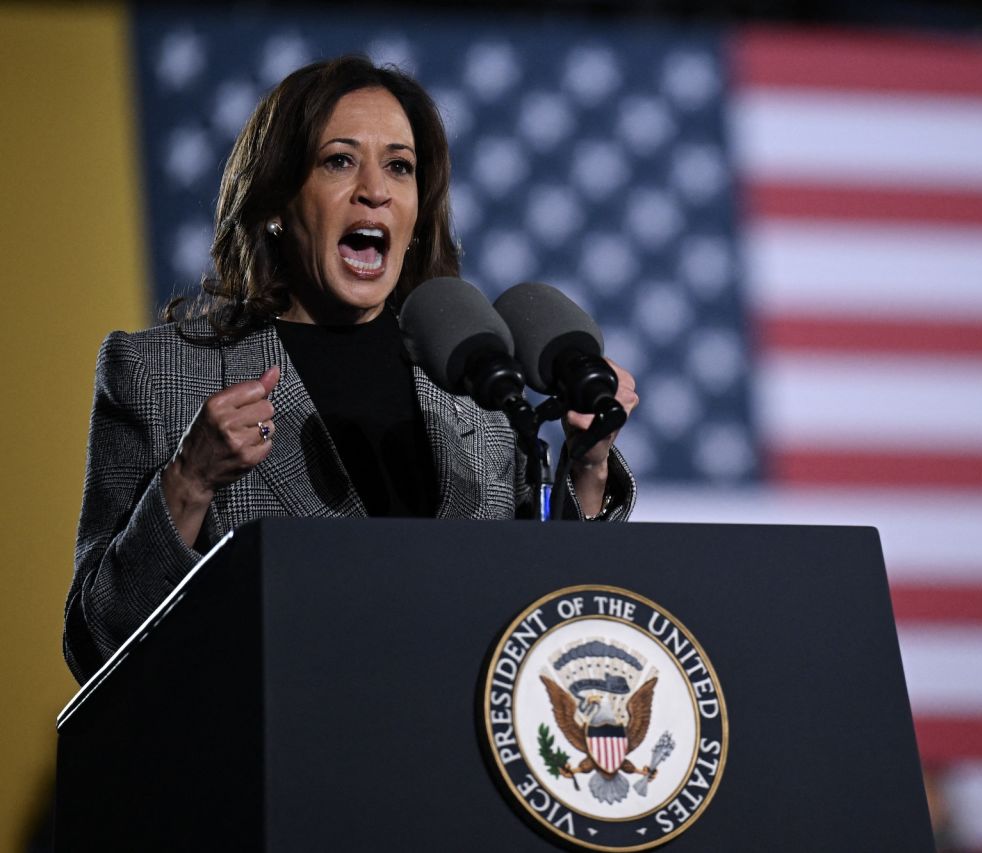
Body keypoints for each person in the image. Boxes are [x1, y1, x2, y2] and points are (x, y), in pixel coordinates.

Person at [63, 56, 638, 685]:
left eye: (400, 166)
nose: (375, 190)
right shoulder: (157, 374)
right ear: (278, 200)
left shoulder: (476, 383)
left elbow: (555, 620)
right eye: (339, 160)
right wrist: (189, 482)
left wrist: (587, 466)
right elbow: (97, 642)